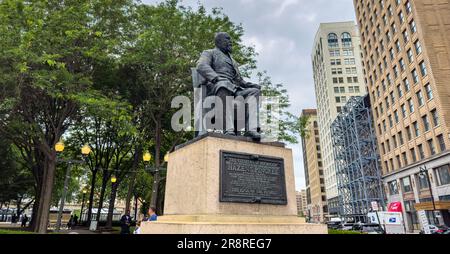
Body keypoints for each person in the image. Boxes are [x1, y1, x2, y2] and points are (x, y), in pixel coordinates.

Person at [196, 32, 261, 140]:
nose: (230, 42)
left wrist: (251, 85)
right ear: (219, 41)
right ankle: (228, 129)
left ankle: (251, 129)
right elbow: (201, 65)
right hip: (215, 87)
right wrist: (215, 77)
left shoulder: (233, 60)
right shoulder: (209, 53)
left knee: (254, 92)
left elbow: (239, 80)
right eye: (227, 39)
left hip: (234, 89)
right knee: (224, 85)